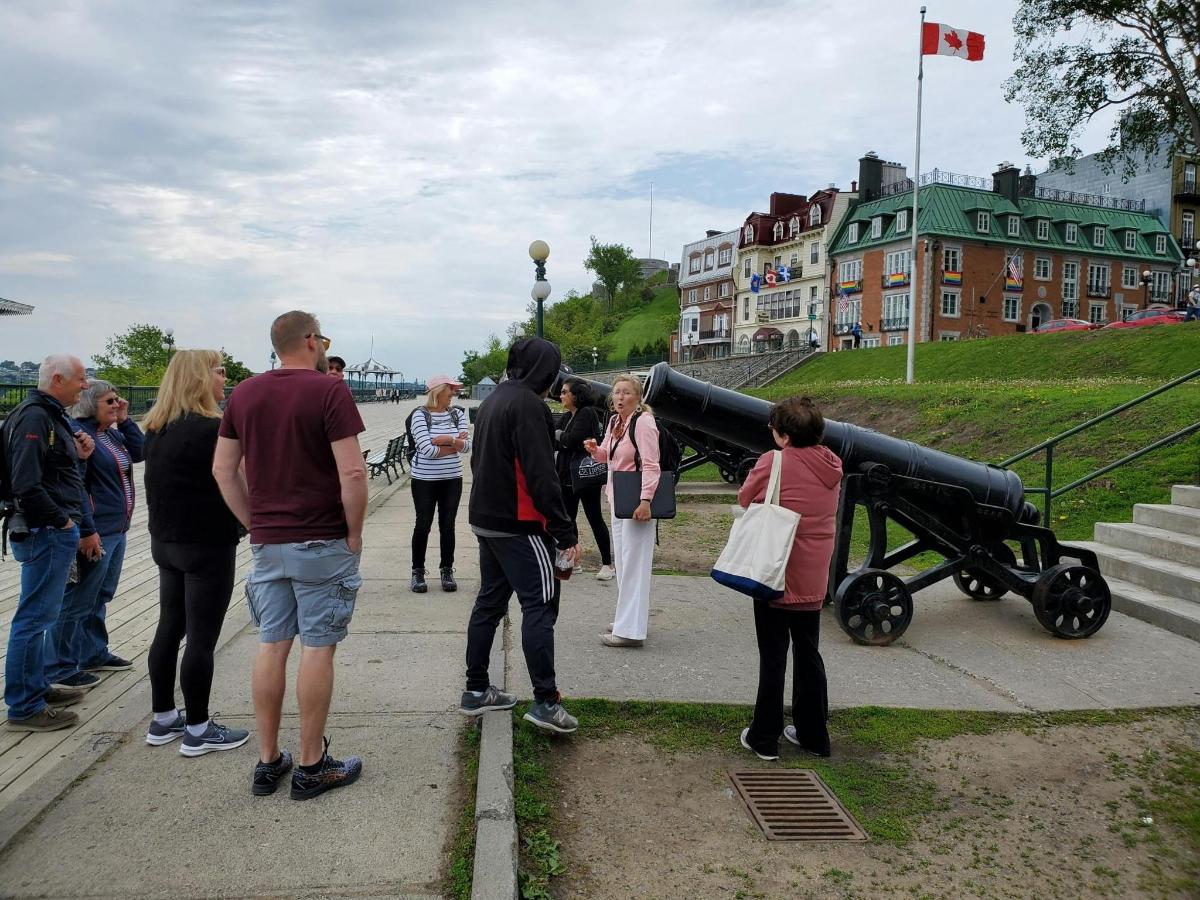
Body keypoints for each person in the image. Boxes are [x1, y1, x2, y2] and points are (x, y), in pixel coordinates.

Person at [214, 311, 368, 800]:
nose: (324, 346)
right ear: (308, 341)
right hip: (321, 540)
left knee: (272, 644)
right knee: (318, 647)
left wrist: (254, 522)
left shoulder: (243, 393)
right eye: (322, 338)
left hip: (268, 543)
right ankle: (310, 765)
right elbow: (353, 474)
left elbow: (223, 470)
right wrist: (356, 532)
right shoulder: (329, 390)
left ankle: (267, 761)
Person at [461, 337, 581, 734]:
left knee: (490, 603)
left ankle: (476, 689)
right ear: (545, 371)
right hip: (519, 522)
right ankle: (546, 701)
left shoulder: (495, 399)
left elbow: (480, 459)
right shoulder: (529, 405)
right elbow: (541, 475)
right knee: (540, 605)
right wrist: (564, 532)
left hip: (486, 517)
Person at [143, 350, 249, 756]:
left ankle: (163, 718)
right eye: (221, 372)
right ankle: (200, 728)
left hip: (165, 543)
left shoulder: (155, 428)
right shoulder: (214, 429)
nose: (225, 379)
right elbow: (235, 480)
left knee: (169, 627)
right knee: (202, 638)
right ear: (202, 378)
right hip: (206, 543)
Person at [736, 396, 842, 762]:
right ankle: (814, 735)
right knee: (809, 651)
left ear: (781, 435)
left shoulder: (774, 461)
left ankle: (765, 736)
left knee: (773, 654)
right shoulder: (833, 464)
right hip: (814, 574)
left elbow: (745, 497)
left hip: (776, 569)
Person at [2, 355, 95, 731]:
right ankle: (25, 706)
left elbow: (55, 474)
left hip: (48, 529)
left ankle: (35, 686)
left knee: (41, 614)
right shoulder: (37, 417)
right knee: (33, 617)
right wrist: (63, 521)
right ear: (57, 379)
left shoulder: (45, 414)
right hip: (46, 531)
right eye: (81, 378)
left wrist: (82, 457)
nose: (85, 385)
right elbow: (26, 482)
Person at [45, 380, 145, 692]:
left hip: (117, 528)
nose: (117, 405)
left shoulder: (109, 433)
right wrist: (86, 530)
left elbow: (141, 452)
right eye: (110, 401)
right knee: (77, 599)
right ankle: (60, 665)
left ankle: (92, 652)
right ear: (91, 404)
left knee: (100, 595)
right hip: (96, 530)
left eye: (118, 400)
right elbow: (78, 487)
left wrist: (125, 420)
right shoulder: (81, 434)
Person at [583, 374, 660, 648]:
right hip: (618, 498)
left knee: (635, 564)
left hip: (636, 501)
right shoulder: (616, 422)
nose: (619, 397)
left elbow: (652, 464)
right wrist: (595, 451)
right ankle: (627, 619)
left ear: (638, 398)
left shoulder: (644, 422)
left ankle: (631, 631)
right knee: (624, 562)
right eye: (616, 392)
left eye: (626, 393)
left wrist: (646, 500)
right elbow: (609, 456)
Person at [409, 375, 470, 593]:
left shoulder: (458, 414)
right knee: (423, 525)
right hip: (424, 480)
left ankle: (447, 569)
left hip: (453, 479)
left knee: (448, 525)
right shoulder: (419, 415)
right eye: (450, 389)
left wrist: (449, 441)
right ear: (439, 391)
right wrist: (455, 443)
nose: (454, 393)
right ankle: (417, 572)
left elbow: (467, 446)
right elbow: (427, 450)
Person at [555, 378, 613, 581]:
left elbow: (571, 441)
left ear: (575, 395)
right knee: (568, 520)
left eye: (564, 392)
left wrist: (561, 437)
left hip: (584, 476)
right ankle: (573, 561)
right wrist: (562, 438)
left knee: (594, 517)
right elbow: (557, 440)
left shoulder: (586, 413)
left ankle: (607, 564)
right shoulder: (567, 417)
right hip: (567, 477)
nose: (561, 395)